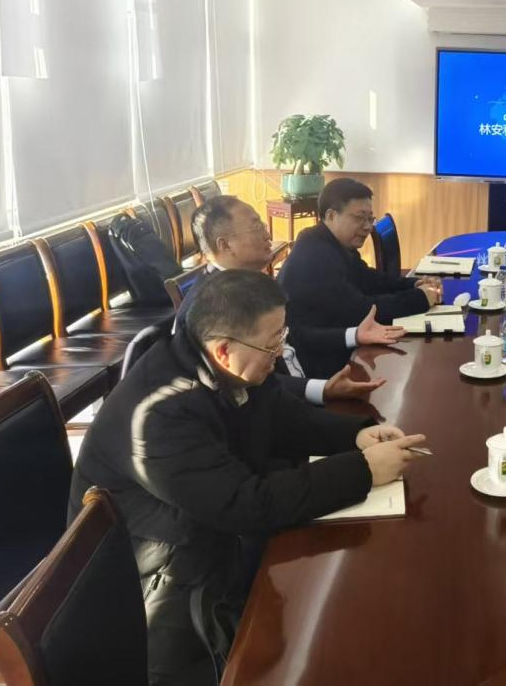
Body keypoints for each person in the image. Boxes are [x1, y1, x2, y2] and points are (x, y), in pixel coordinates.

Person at [70, 269, 427, 685]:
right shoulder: (158, 416)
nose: (281, 351)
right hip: (158, 588)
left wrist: (355, 435)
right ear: (224, 350)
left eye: (282, 335)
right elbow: (245, 504)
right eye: (273, 343)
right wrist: (363, 470)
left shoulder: (222, 361)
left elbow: (280, 413)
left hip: (205, 539)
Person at [186, 195, 405, 403]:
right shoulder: (210, 307)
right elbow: (249, 387)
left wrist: (355, 335)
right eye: (256, 226)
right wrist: (322, 389)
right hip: (286, 407)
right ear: (225, 245)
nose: (268, 234)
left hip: (306, 384)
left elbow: (293, 335)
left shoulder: (247, 282)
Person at [279, 178, 442, 377]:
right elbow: (362, 312)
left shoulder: (330, 242)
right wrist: (421, 298)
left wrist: (414, 284)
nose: (367, 227)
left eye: (370, 219)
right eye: (359, 218)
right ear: (331, 215)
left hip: (341, 344)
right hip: (318, 361)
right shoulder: (316, 255)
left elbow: (370, 280)